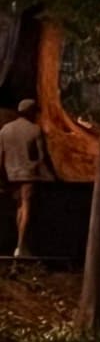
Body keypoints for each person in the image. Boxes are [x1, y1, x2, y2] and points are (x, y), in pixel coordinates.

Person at [0, 99, 52, 258]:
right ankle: (21, 246)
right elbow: (41, 156)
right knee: (27, 207)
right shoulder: (35, 130)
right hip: (29, 173)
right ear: (31, 111)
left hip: (11, 174)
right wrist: (48, 175)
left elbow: (0, 156)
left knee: (20, 207)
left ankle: (19, 245)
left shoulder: (5, 130)